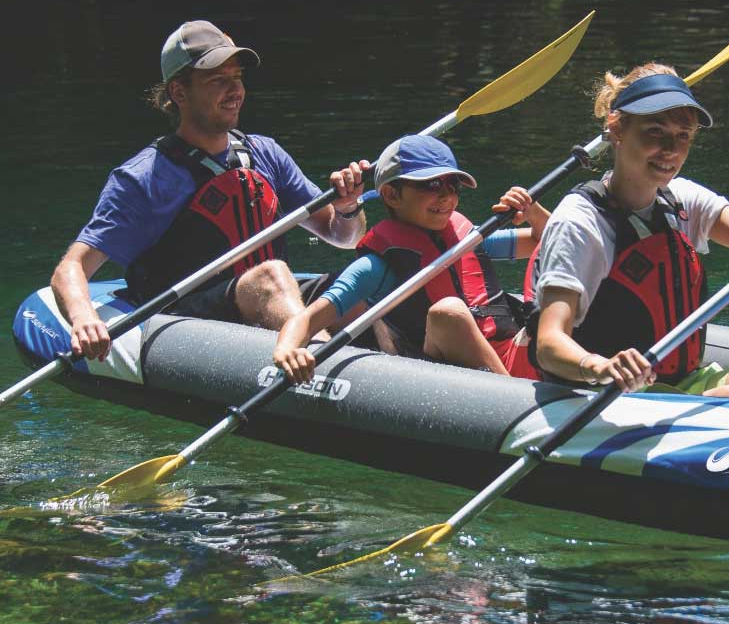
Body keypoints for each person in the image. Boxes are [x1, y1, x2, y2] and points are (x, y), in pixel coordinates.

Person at [51, 20, 370, 361]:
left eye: (237, 78)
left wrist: (350, 206)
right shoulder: (144, 177)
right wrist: (84, 318)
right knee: (271, 275)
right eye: (218, 80)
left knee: (362, 284)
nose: (235, 91)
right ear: (179, 93)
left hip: (271, 299)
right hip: (188, 319)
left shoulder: (265, 153)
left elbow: (344, 236)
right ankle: (325, 364)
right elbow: (70, 268)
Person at [531, 63, 729, 398]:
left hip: (679, 386)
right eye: (655, 131)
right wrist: (601, 367)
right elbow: (549, 344)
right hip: (609, 396)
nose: (671, 150)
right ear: (617, 129)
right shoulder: (580, 221)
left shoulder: (682, 199)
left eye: (683, 136)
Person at [273, 134, 548, 384]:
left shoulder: (469, 238)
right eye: (431, 184)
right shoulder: (376, 267)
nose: (446, 195)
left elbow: (546, 242)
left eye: (453, 185)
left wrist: (533, 211)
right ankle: (514, 397)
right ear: (392, 195)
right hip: (445, 372)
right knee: (448, 313)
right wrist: (287, 349)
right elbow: (308, 319)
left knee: (562, 291)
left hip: (508, 351)